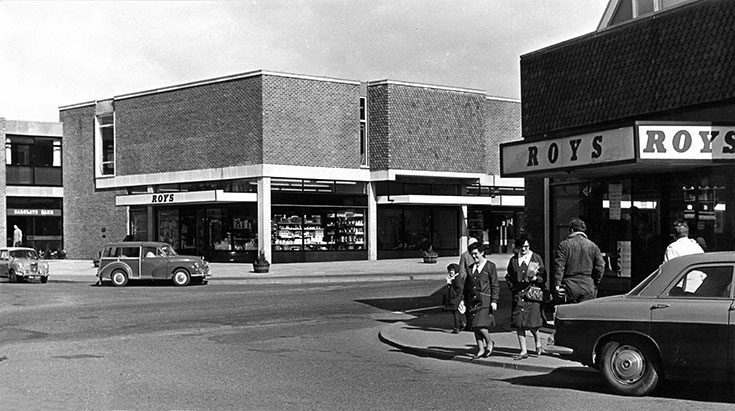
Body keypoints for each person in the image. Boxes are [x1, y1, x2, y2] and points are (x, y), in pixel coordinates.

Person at [506, 235, 546, 359]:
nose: (524, 249)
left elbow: (543, 276)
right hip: (519, 295)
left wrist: (536, 279)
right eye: (522, 247)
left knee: (533, 323)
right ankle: (523, 350)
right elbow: (509, 277)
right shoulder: (514, 260)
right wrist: (513, 288)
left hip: (532, 295)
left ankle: (538, 343)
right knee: (519, 323)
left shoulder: (536, 258)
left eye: (526, 246)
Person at [553, 218, 605, 304]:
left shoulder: (564, 245)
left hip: (569, 285)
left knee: (569, 314)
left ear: (571, 230)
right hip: (588, 285)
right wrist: (595, 281)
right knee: (585, 314)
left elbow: (559, 267)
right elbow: (600, 266)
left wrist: (557, 285)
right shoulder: (593, 246)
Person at [465, 241, 500, 359]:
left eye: (476, 254)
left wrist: (494, 300)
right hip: (473, 301)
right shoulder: (470, 268)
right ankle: (480, 349)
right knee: (475, 326)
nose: (474, 257)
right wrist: (463, 301)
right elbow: (467, 286)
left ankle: (489, 342)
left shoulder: (490, 266)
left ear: (482, 252)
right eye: (472, 254)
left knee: (480, 325)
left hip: (485, 300)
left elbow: (495, 285)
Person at [457, 237, 478, 329]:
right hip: (478, 282)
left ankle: (470, 324)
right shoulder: (481, 254)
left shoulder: (464, 255)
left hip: (468, 282)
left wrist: (462, 283)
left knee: (468, 303)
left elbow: (462, 272)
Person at [444, 263, 466, 334]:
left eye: (452, 270)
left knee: (455, 312)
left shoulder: (457, 279)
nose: (450, 272)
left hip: (456, 298)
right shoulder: (454, 278)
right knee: (455, 312)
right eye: (450, 270)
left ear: (455, 271)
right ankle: (461, 324)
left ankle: (457, 328)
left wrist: (452, 292)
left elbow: (459, 288)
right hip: (455, 298)